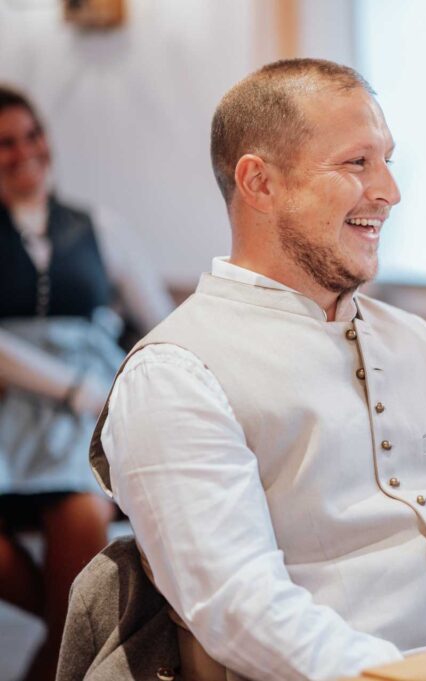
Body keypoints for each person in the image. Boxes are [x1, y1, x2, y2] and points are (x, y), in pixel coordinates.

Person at [86, 60, 426, 680]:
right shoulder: (174, 374)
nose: (390, 190)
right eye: (357, 162)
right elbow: (240, 604)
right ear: (260, 183)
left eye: (386, 160)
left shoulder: (415, 340)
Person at [0, 85, 174, 680]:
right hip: (12, 414)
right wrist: (72, 387)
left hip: (86, 422)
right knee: (63, 610)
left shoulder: (100, 227)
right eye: (5, 143)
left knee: (82, 515)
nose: (25, 151)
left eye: (32, 135)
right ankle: (82, 626)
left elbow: (160, 322)